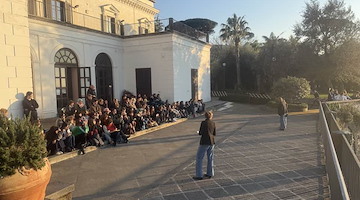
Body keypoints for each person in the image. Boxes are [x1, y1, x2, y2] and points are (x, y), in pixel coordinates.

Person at [193, 111, 216, 180]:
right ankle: (210, 173)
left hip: (204, 141)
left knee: (199, 158)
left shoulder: (203, 123)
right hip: (211, 142)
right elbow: (214, 133)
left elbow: (200, 132)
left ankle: (199, 175)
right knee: (210, 157)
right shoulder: (213, 123)